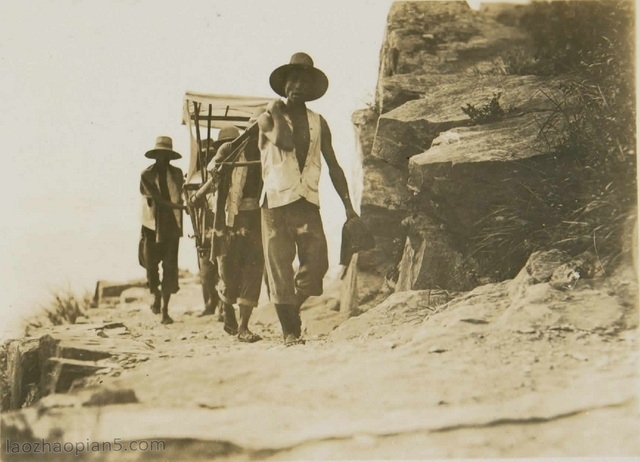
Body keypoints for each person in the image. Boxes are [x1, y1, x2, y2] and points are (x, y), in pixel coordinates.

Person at [257, 52, 359, 346]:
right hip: (275, 202)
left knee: (317, 265)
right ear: (284, 85)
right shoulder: (266, 118)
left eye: (305, 82)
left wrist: (349, 207)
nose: (299, 86)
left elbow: (333, 165)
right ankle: (289, 332)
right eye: (293, 80)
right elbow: (285, 141)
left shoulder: (318, 122)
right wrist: (275, 109)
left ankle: (292, 311)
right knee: (280, 269)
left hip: (306, 200)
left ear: (312, 88)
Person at [207, 120, 264, 342]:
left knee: (253, 268)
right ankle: (227, 309)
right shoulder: (227, 150)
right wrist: (222, 165)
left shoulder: (266, 150)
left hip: (256, 218)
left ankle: (243, 327)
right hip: (228, 219)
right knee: (227, 270)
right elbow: (212, 171)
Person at [139, 136, 187, 325]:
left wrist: (186, 204)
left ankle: (165, 311)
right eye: (160, 155)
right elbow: (158, 200)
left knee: (170, 267)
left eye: (166, 156)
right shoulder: (146, 175)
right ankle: (156, 294)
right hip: (151, 225)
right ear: (155, 156)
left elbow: (183, 194)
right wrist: (182, 207)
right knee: (151, 267)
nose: (162, 159)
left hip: (172, 225)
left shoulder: (177, 173)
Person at [195, 130, 239, 320]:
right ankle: (212, 303)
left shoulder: (241, 166)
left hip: (230, 221)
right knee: (208, 270)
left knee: (226, 266)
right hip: (210, 224)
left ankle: (224, 306)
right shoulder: (204, 172)